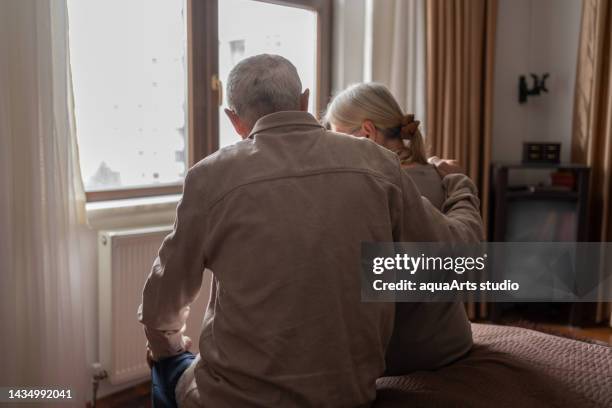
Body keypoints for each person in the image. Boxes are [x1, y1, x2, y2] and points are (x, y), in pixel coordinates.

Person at [138, 54, 483, 408]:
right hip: (348, 396)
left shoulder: (209, 177)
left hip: (233, 398)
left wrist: (170, 349)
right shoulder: (378, 163)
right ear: (304, 100)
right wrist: (459, 185)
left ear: (234, 120)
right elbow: (455, 256)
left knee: (165, 367)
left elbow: (160, 306)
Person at [324, 82, 476, 374]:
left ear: (367, 132)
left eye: (338, 138)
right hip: (450, 340)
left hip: (400, 355)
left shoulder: (374, 188)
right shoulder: (439, 175)